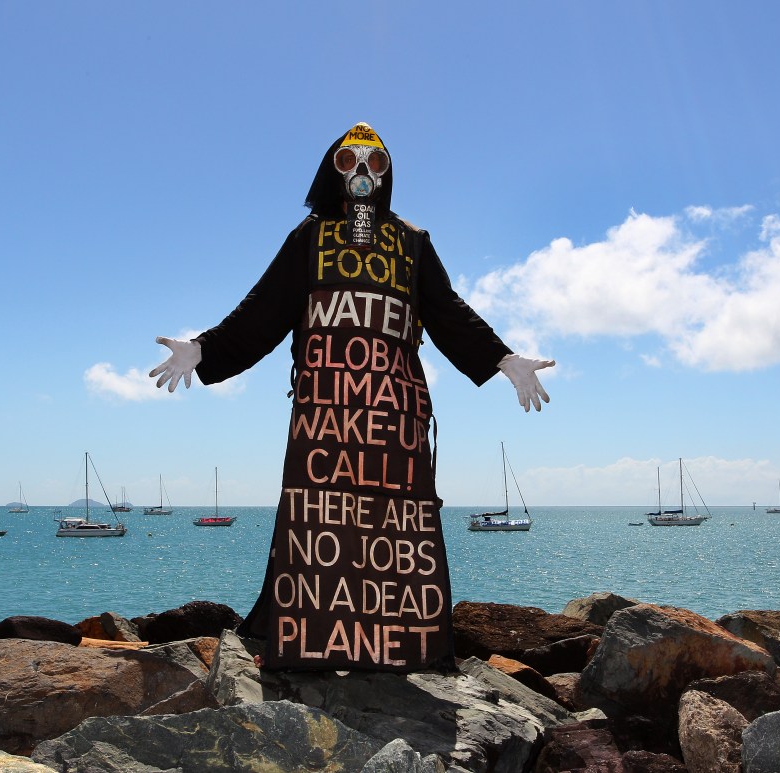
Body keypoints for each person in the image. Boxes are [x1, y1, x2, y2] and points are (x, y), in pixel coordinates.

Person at [150, 122, 554, 672]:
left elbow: (446, 311)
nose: (363, 171)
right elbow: (265, 307)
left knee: (396, 526)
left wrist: (502, 358)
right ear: (333, 169)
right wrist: (203, 349)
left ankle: (398, 645)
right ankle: (301, 635)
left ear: (387, 174)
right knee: (317, 523)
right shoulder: (310, 237)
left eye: (375, 162)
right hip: (324, 410)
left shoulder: (412, 242)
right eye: (349, 161)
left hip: (394, 411)